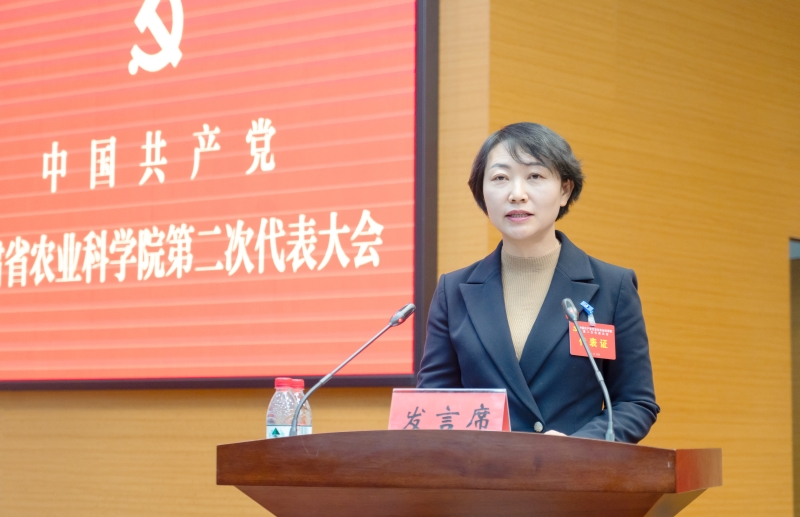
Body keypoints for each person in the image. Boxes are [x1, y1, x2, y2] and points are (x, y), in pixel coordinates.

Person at [417, 122, 659, 442]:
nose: (517, 194)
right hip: (481, 472)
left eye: (534, 176)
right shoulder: (454, 291)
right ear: (482, 193)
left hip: (572, 471)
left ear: (565, 190)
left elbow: (635, 402)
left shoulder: (613, 287)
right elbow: (433, 402)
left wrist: (577, 447)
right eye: (500, 178)